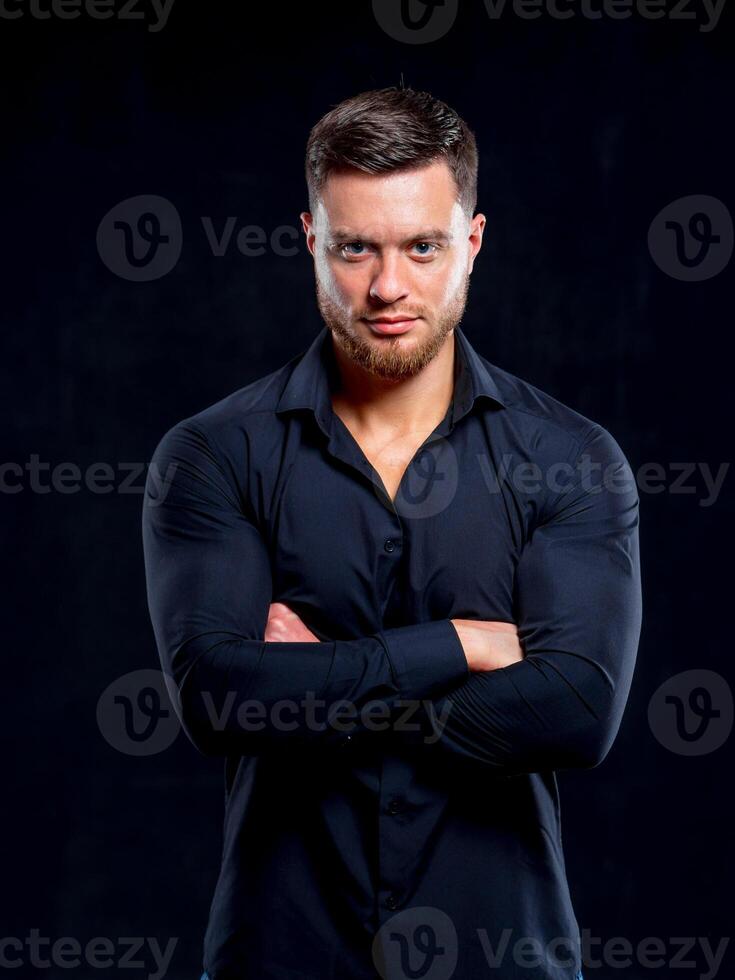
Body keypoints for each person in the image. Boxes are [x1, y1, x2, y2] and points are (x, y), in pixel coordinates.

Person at [142, 85, 640, 980]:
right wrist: (458, 644)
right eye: (354, 249)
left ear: (472, 242)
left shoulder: (569, 457)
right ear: (310, 241)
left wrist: (314, 682)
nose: (386, 286)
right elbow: (217, 698)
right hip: (281, 955)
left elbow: (578, 712)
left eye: (421, 246)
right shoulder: (212, 454)